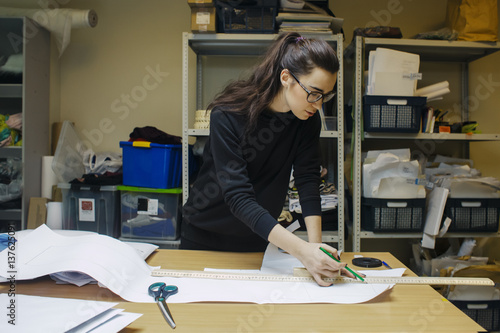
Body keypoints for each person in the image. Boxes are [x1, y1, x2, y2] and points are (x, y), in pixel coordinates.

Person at [181, 32, 355, 286]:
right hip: (205, 236)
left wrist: (317, 248)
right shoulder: (228, 115)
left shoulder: (306, 119)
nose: (318, 105)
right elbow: (238, 197)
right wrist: (303, 252)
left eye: (325, 96)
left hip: (258, 236)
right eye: (314, 93)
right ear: (286, 78)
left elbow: (307, 179)